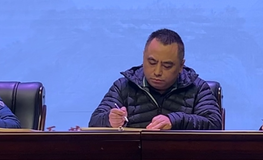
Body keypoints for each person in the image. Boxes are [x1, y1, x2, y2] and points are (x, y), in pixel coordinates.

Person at [89, 29, 222, 130]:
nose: (157, 72)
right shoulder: (124, 86)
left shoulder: (198, 88)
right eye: (152, 62)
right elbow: (94, 122)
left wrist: (175, 120)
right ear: (143, 57)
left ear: (181, 65)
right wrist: (109, 120)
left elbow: (214, 124)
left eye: (167, 66)